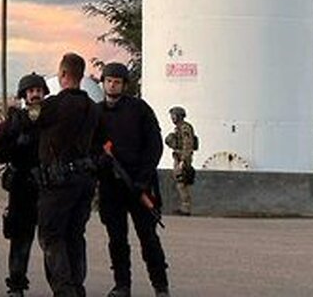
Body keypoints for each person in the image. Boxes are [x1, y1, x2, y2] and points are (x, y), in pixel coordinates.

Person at [96, 62, 170, 297]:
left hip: (140, 185)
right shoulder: (96, 113)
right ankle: (122, 285)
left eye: (117, 81)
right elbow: (88, 146)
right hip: (111, 187)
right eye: (109, 80)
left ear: (124, 85)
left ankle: (161, 287)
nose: (112, 85)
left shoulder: (139, 109)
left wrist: (143, 178)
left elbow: (154, 146)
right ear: (103, 83)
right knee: (117, 240)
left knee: (149, 239)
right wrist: (101, 162)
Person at [33, 52, 100, 297]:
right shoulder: (92, 108)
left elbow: (29, 122)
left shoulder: (53, 106)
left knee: (52, 236)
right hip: (84, 180)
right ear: (81, 76)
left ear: (63, 74)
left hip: (58, 182)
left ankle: (64, 290)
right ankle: (77, 287)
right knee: (75, 235)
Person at [0, 73, 48, 297]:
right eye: (31, 91)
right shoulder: (15, 120)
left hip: (48, 184)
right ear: (24, 95)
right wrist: (6, 137)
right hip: (21, 185)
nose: (35, 94)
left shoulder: (52, 116)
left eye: (38, 90)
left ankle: (62, 286)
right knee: (20, 239)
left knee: (52, 240)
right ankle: (16, 285)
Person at [164, 106, 196, 216]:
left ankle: (186, 208)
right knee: (180, 183)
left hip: (183, 158)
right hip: (178, 157)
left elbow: (188, 144)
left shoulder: (185, 128)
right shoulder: (179, 128)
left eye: (174, 116)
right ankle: (184, 207)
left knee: (182, 183)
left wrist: (183, 160)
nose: (172, 118)